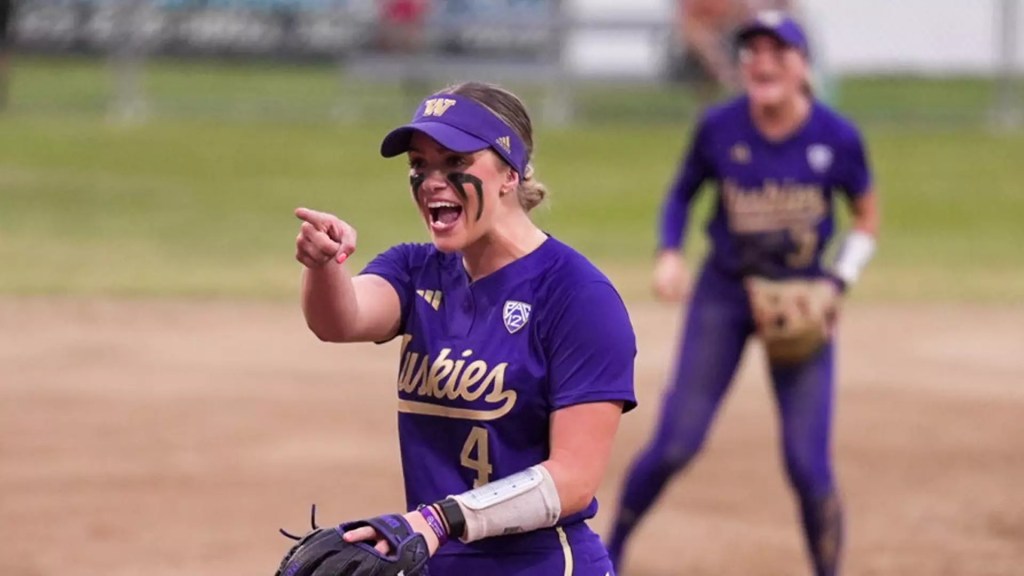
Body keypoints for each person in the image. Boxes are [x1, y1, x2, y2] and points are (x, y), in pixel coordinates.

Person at [292, 81, 637, 575]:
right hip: (439, 562)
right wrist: (324, 264)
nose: (432, 181)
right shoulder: (415, 271)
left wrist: (440, 519)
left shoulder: (577, 296)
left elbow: (574, 480)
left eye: (455, 162)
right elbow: (338, 320)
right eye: (419, 165)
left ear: (510, 173)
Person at [606, 11, 879, 576]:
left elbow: (865, 216)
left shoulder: (836, 136)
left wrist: (838, 280)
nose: (762, 63)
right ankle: (607, 556)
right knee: (676, 444)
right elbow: (681, 195)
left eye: (779, 52)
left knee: (808, 466)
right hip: (725, 296)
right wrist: (669, 252)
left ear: (804, 67)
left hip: (801, 299)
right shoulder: (719, 127)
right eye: (752, 52)